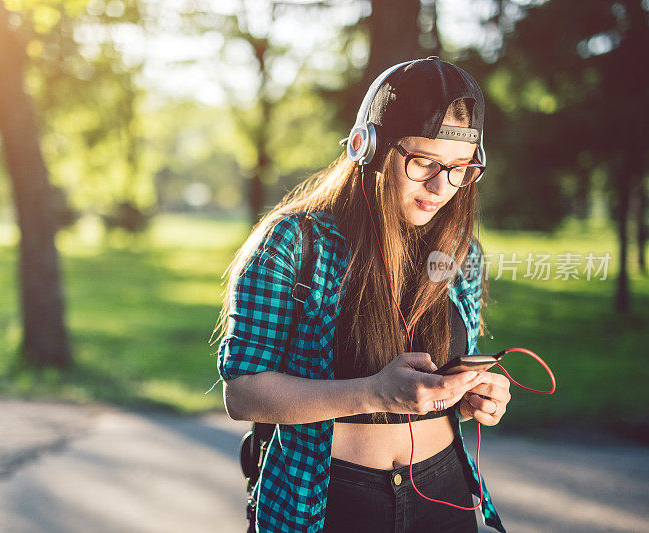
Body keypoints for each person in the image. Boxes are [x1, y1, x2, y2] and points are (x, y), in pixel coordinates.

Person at [212, 57, 510, 533]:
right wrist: (371, 392)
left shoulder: (462, 252)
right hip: (328, 498)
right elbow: (242, 394)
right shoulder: (294, 242)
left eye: (460, 168)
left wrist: (470, 397)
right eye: (424, 162)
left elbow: (445, 375)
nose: (441, 186)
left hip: (444, 492)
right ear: (365, 146)